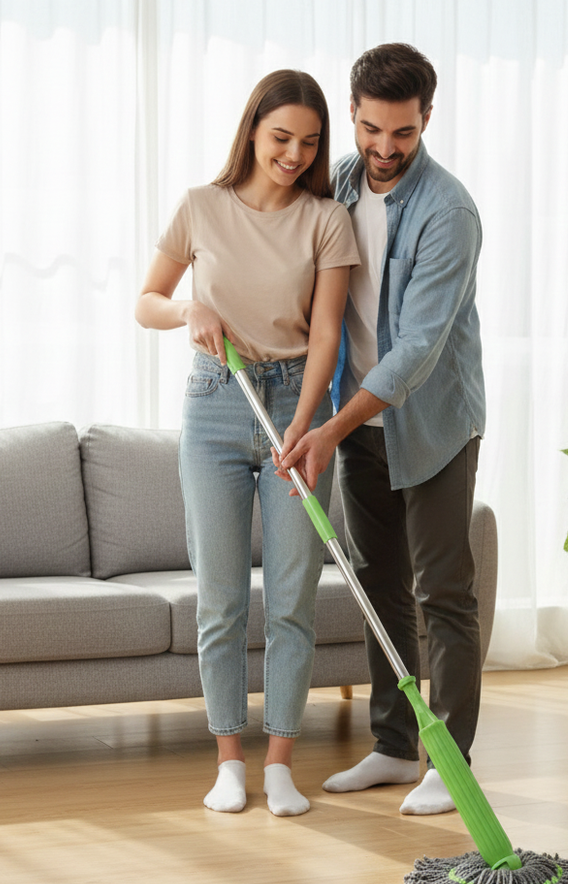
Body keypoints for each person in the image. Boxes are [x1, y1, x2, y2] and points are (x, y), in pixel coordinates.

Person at [135, 70, 359, 817]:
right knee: (222, 599)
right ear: (251, 133)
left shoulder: (327, 219)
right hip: (215, 404)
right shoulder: (201, 207)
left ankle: (283, 762)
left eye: (309, 142)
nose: (294, 154)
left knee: (293, 597)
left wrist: (311, 415)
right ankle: (229, 759)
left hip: (295, 402)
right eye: (280, 138)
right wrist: (187, 310)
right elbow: (147, 301)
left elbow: (327, 329)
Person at [278, 43, 486, 816]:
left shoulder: (448, 211)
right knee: (377, 586)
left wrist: (330, 429)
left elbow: (415, 354)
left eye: (401, 132)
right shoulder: (335, 181)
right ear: (355, 114)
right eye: (370, 129)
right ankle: (397, 747)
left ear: (427, 117)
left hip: (430, 423)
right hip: (351, 416)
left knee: (444, 593)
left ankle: (451, 760)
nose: (384, 148)